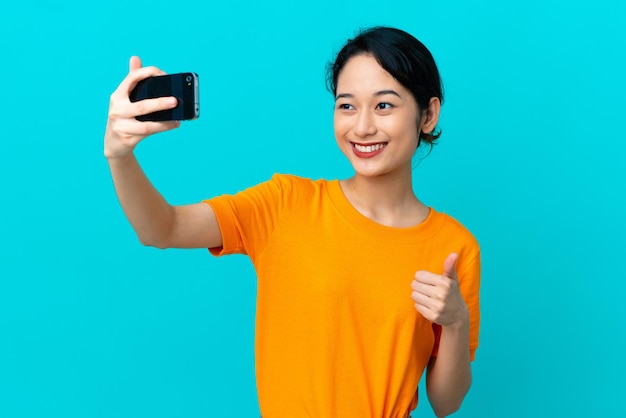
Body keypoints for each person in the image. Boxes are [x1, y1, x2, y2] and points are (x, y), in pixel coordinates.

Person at [104, 26, 480, 418]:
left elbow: (446, 402)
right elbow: (161, 229)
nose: (362, 126)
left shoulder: (454, 247)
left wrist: (455, 322)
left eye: (384, 105)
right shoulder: (285, 204)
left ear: (428, 114)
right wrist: (119, 155)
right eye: (347, 105)